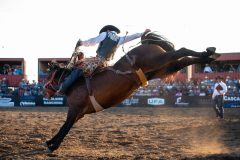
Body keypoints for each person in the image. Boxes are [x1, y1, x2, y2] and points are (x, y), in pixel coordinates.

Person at [56, 25, 151, 95]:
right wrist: (142, 33)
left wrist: (82, 42)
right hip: (108, 63)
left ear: (108, 30)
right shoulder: (119, 38)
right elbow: (132, 37)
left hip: (98, 60)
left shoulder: (105, 34)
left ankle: (63, 89)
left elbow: (92, 41)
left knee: (78, 69)